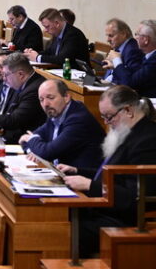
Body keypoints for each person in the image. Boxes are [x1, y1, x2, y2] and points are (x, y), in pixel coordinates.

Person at [60, 86, 156, 257]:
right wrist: (77, 170)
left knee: (57, 233)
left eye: (109, 117)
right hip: (106, 210)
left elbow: (136, 197)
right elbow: (111, 175)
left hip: (122, 220)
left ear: (128, 110)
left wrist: (90, 185)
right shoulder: (128, 131)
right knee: (54, 219)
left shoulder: (148, 141)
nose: (106, 122)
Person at [18, 79, 104, 168]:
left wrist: (33, 143)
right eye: (41, 100)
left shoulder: (78, 120)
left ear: (66, 97)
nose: (45, 104)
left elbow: (47, 152)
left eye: (50, 97)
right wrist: (33, 152)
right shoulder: (54, 112)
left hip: (80, 177)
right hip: (60, 173)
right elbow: (30, 139)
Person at [24, 7, 90, 68]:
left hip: (77, 75)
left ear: (57, 24)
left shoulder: (73, 35)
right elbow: (50, 51)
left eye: (47, 27)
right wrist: (31, 54)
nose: (45, 30)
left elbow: (62, 59)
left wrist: (38, 57)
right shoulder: (57, 32)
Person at [112, 19, 156, 96]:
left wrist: (117, 60)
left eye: (137, 34)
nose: (135, 38)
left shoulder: (154, 60)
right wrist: (115, 66)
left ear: (146, 40)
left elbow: (129, 83)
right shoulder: (147, 56)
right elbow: (133, 76)